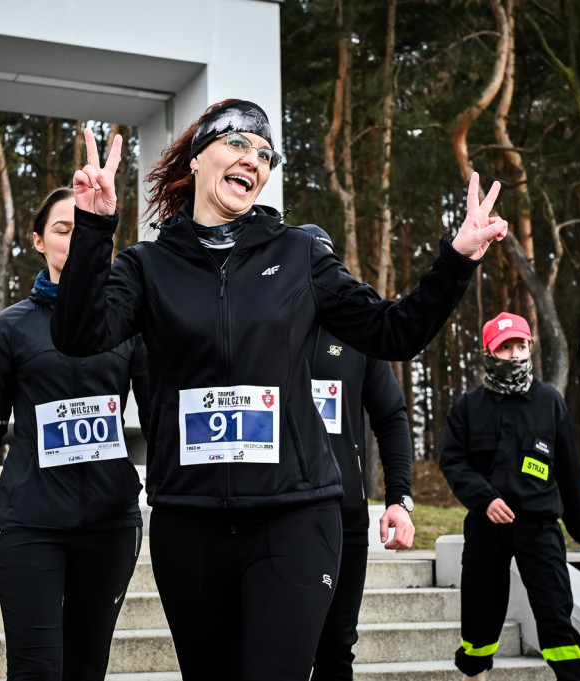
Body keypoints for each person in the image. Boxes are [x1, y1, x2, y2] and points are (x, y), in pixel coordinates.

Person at [53, 99, 508, 681]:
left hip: (294, 517)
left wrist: (459, 256)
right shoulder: (148, 266)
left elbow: (395, 332)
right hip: (188, 523)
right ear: (198, 158)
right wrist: (94, 227)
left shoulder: (300, 254)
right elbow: (78, 336)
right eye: (239, 144)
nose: (255, 161)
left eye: (266, 155)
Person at [0, 187, 150, 681]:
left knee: (86, 667)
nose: (74, 242)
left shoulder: (128, 325)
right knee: (36, 669)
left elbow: (163, 419)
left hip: (110, 524)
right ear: (38, 241)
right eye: (63, 230)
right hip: (29, 522)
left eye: (84, 232)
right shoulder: (12, 327)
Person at [439, 312, 580, 681]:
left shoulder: (551, 403)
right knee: (481, 615)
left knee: (555, 612)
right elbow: (453, 461)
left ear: (530, 347)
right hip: (486, 526)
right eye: (505, 346)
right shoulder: (467, 407)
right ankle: (475, 672)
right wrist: (484, 499)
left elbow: (570, 470)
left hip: (539, 526)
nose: (514, 354)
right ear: (489, 352)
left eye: (520, 345)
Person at [301, 224, 415, 681]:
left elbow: (391, 417)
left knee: (336, 648)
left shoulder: (356, 336)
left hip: (345, 516)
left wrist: (399, 499)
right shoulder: (265, 325)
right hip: (278, 511)